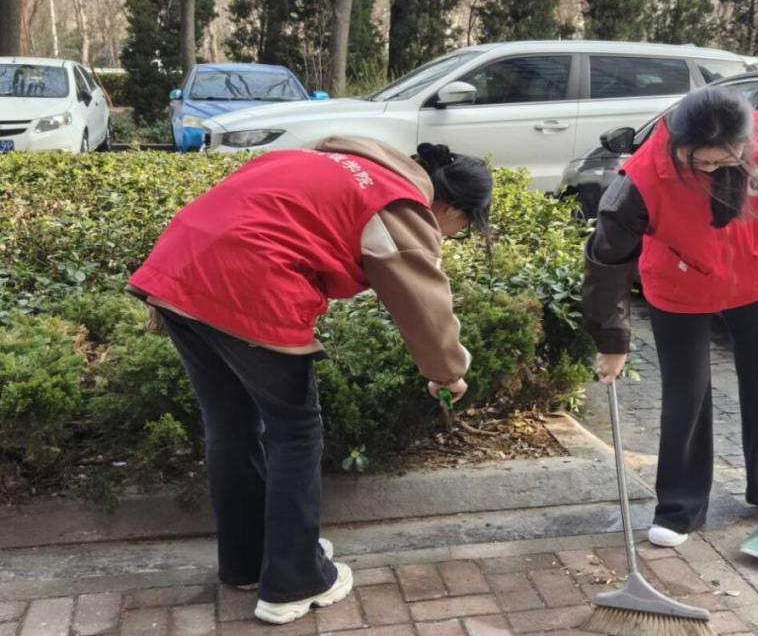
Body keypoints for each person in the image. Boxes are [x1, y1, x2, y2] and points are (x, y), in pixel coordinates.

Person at [127, 139, 492, 624]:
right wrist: (447, 373)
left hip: (177, 269)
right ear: (452, 209)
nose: (447, 236)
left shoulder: (335, 160)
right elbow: (425, 307)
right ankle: (294, 580)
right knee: (295, 432)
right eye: (460, 229)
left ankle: (248, 561)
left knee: (231, 428)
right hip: (248, 284)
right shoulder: (398, 204)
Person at [582, 85, 758, 548]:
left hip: (755, 277)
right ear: (677, 142)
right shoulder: (642, 178)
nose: (710, 169)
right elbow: (607, 261)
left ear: (744, 144)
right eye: (700, 161)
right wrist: (612, 342)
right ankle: (680, 509)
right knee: (686, 395)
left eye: (722, 160)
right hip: (678, 286)